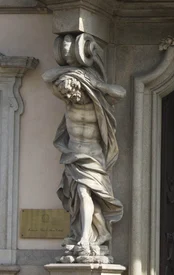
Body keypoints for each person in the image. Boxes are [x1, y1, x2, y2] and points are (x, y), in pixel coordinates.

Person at [43, 66, 125, 258]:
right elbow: (46, 76)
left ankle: (86, 237)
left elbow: (121, 93)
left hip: (94, 157)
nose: (72, 98)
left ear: (83, 88)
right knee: (81, 196)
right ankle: (92, 234)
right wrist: (73, 70)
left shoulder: (99, 102)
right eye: (69, 96)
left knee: (85, 193)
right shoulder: (68, 101)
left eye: (75, 94)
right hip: (73, 156)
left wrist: (95, 83)